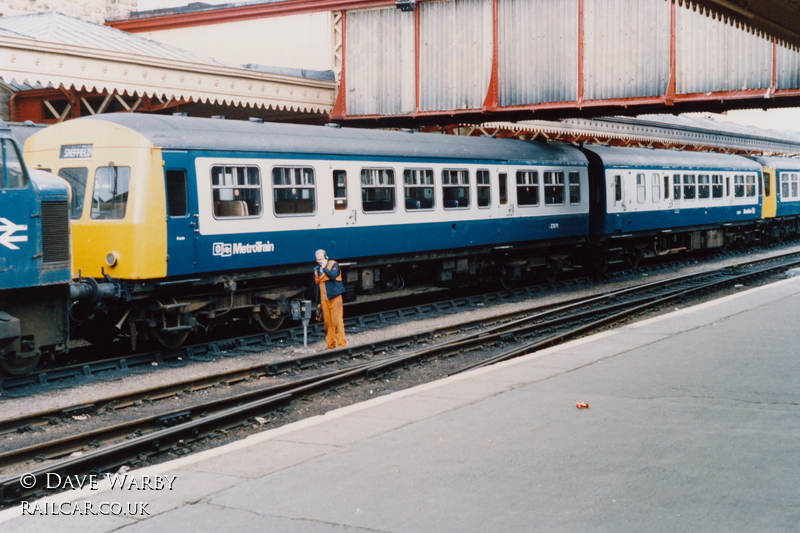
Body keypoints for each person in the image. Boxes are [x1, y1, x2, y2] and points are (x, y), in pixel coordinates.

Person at [314, 249, 347, 349]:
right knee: (327, 324)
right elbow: (318, 287)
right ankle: (331, 345)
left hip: (335, 297)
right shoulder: (316, 269)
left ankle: (342, 345)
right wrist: (318, 302)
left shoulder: (333, 265)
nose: (319, 261)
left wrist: (325, 268)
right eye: (317, 259)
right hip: (324, 299)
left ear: (325, 257)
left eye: (321, 258)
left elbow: (333, 276)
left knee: (337, 322)